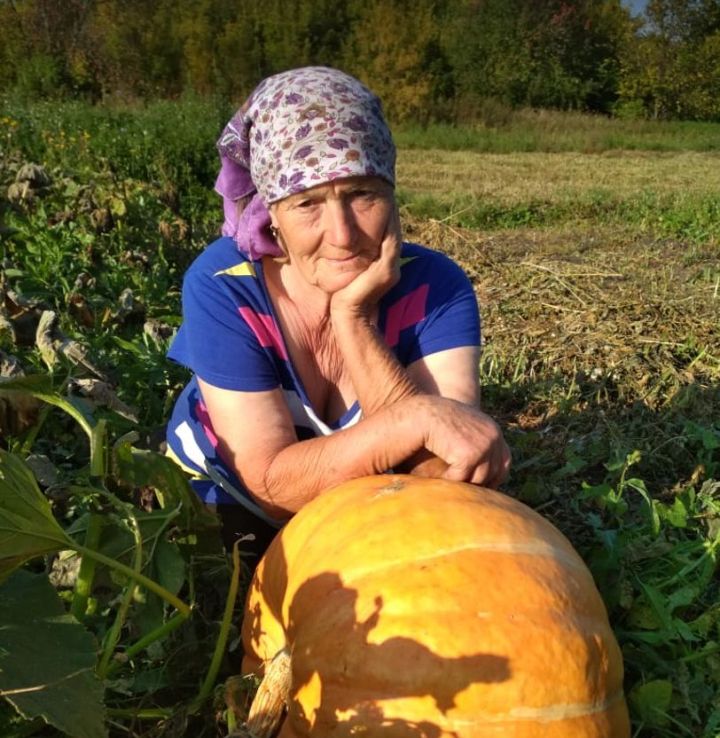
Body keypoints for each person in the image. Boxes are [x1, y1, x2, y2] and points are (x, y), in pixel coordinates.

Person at [165, 66, 511, 560]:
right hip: (229, 496)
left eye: (361, 194)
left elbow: (440, 477)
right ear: (272, 217)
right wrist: (411, 420)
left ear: (392, 195)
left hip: (364, 500)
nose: (343, 234)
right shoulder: (223, 285)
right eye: (307, 203)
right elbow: (269, 484)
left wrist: (354, 318)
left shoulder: (437, 287)